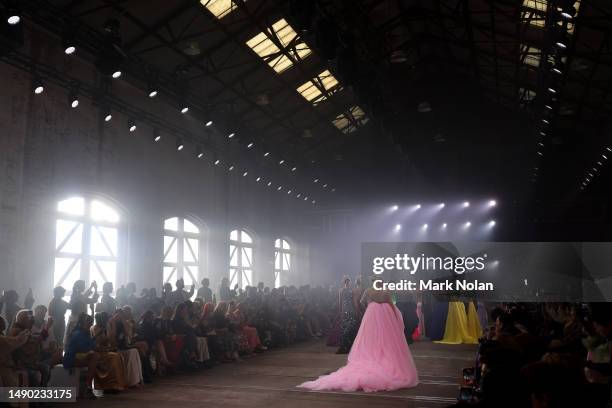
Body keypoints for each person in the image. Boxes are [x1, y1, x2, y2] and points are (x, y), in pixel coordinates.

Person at [298, 289, 419, 392]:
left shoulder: (370, 296)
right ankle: (383, 362)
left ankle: (375, 360)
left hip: (371, 322)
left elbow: (362, 306)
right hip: (384, 323)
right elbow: (393, 309)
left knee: (373, 346)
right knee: (386, 347)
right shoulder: (386, 295)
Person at [65, 280, 98, 347]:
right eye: (83, 285)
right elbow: (93, 299)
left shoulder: (76, 295)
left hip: (76, 319)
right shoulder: (78, 296)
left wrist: (92, 287)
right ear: (79, 286)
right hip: (77, 320)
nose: (84, 287)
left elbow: (85, 296)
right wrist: (95, 288)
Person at [336, 276, 359, 354]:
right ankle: (350, 346)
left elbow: (340, 302)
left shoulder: (340, 290)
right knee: (351, 327)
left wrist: (340, 311)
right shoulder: (353, 290)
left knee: (344, 327)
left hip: (344, 310)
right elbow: (355, 303)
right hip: (351, 310)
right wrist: (357, 311)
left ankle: (344, 346)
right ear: (349, 282)